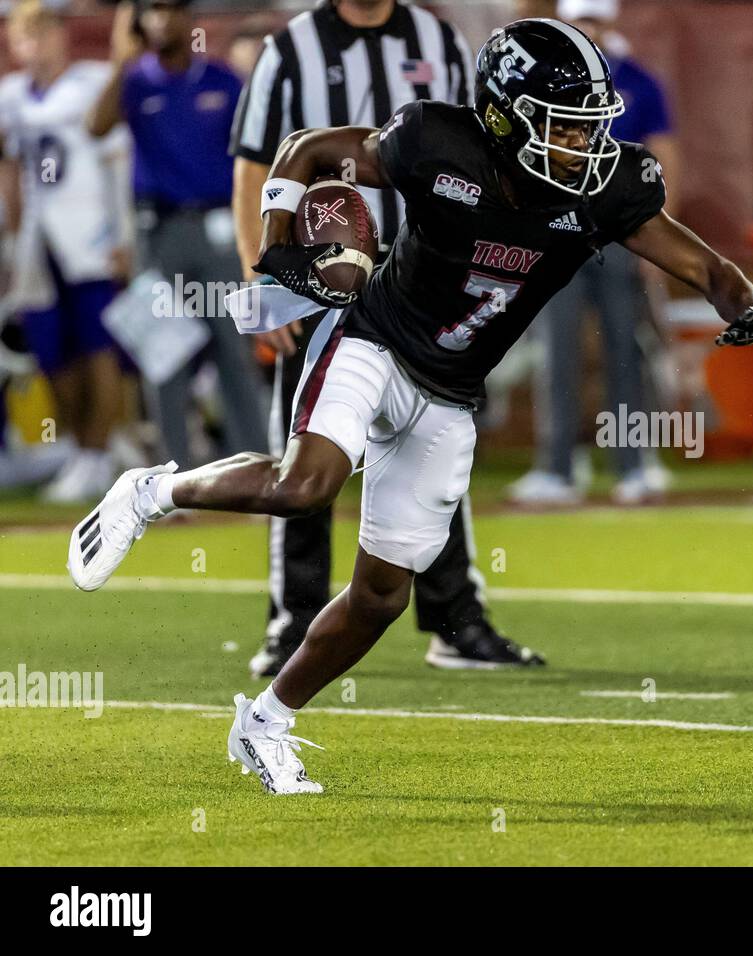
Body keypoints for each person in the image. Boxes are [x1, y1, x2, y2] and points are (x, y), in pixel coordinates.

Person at [67, 18, 753, 794]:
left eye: (590, 127)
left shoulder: (610, 187)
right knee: (302, 486)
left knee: (384, 595)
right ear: (504, 117)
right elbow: (306, 151)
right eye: (566, 127)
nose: (585, 146)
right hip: (374, 341)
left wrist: (741, 306)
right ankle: (152, 491)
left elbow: (706, 265)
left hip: (451, 393)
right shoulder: (434, 143)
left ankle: (265, 723)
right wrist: (276, 254)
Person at [229, 0, 535, 677]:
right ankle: (295, 622)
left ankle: (456, 620)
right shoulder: (290, 48)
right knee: (304, 454)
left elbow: (489, 150)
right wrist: (265, 271)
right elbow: (255, 165)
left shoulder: (442, 41)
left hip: (427, 274)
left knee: (434, 448)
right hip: (318, 273)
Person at [506, 0, 680, 507]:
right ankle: (557, 467)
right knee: (557, 351)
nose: (589, 30)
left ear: (609, 23)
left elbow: (664, 160)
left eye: (595, 21)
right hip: (555, 234)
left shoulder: (639, 82)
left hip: (617, 234)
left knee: (625, 348)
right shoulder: (540, 82)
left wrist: (658, 236)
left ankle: (633, 462)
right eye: (580, 21)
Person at [86, 0, 268, 470]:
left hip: (219, 232)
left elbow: (256, 158)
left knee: (234, 352)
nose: (162, 20)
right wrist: (122, 59)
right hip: (158, 233)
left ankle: (249, 469)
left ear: (190, 18)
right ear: (139, 23)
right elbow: (95, 126)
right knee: (164, 357)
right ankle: (172, 480)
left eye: (171, 9)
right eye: (152, 11)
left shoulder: (222, 80)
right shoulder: (135, 80)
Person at [0, 1, 132, 502]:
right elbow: (12, 170)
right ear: (14, 44)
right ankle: (83, 449)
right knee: (51, 348)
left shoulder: (91, 83)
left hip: (90, 230)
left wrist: (124, 237)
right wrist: (13, 244)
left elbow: (116, 162)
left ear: (62, 36)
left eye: (45, 33)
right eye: (25, 36)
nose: (37, 45)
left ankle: (99, 455)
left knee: (99, 347)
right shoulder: (11, 96)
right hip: (38, 237)